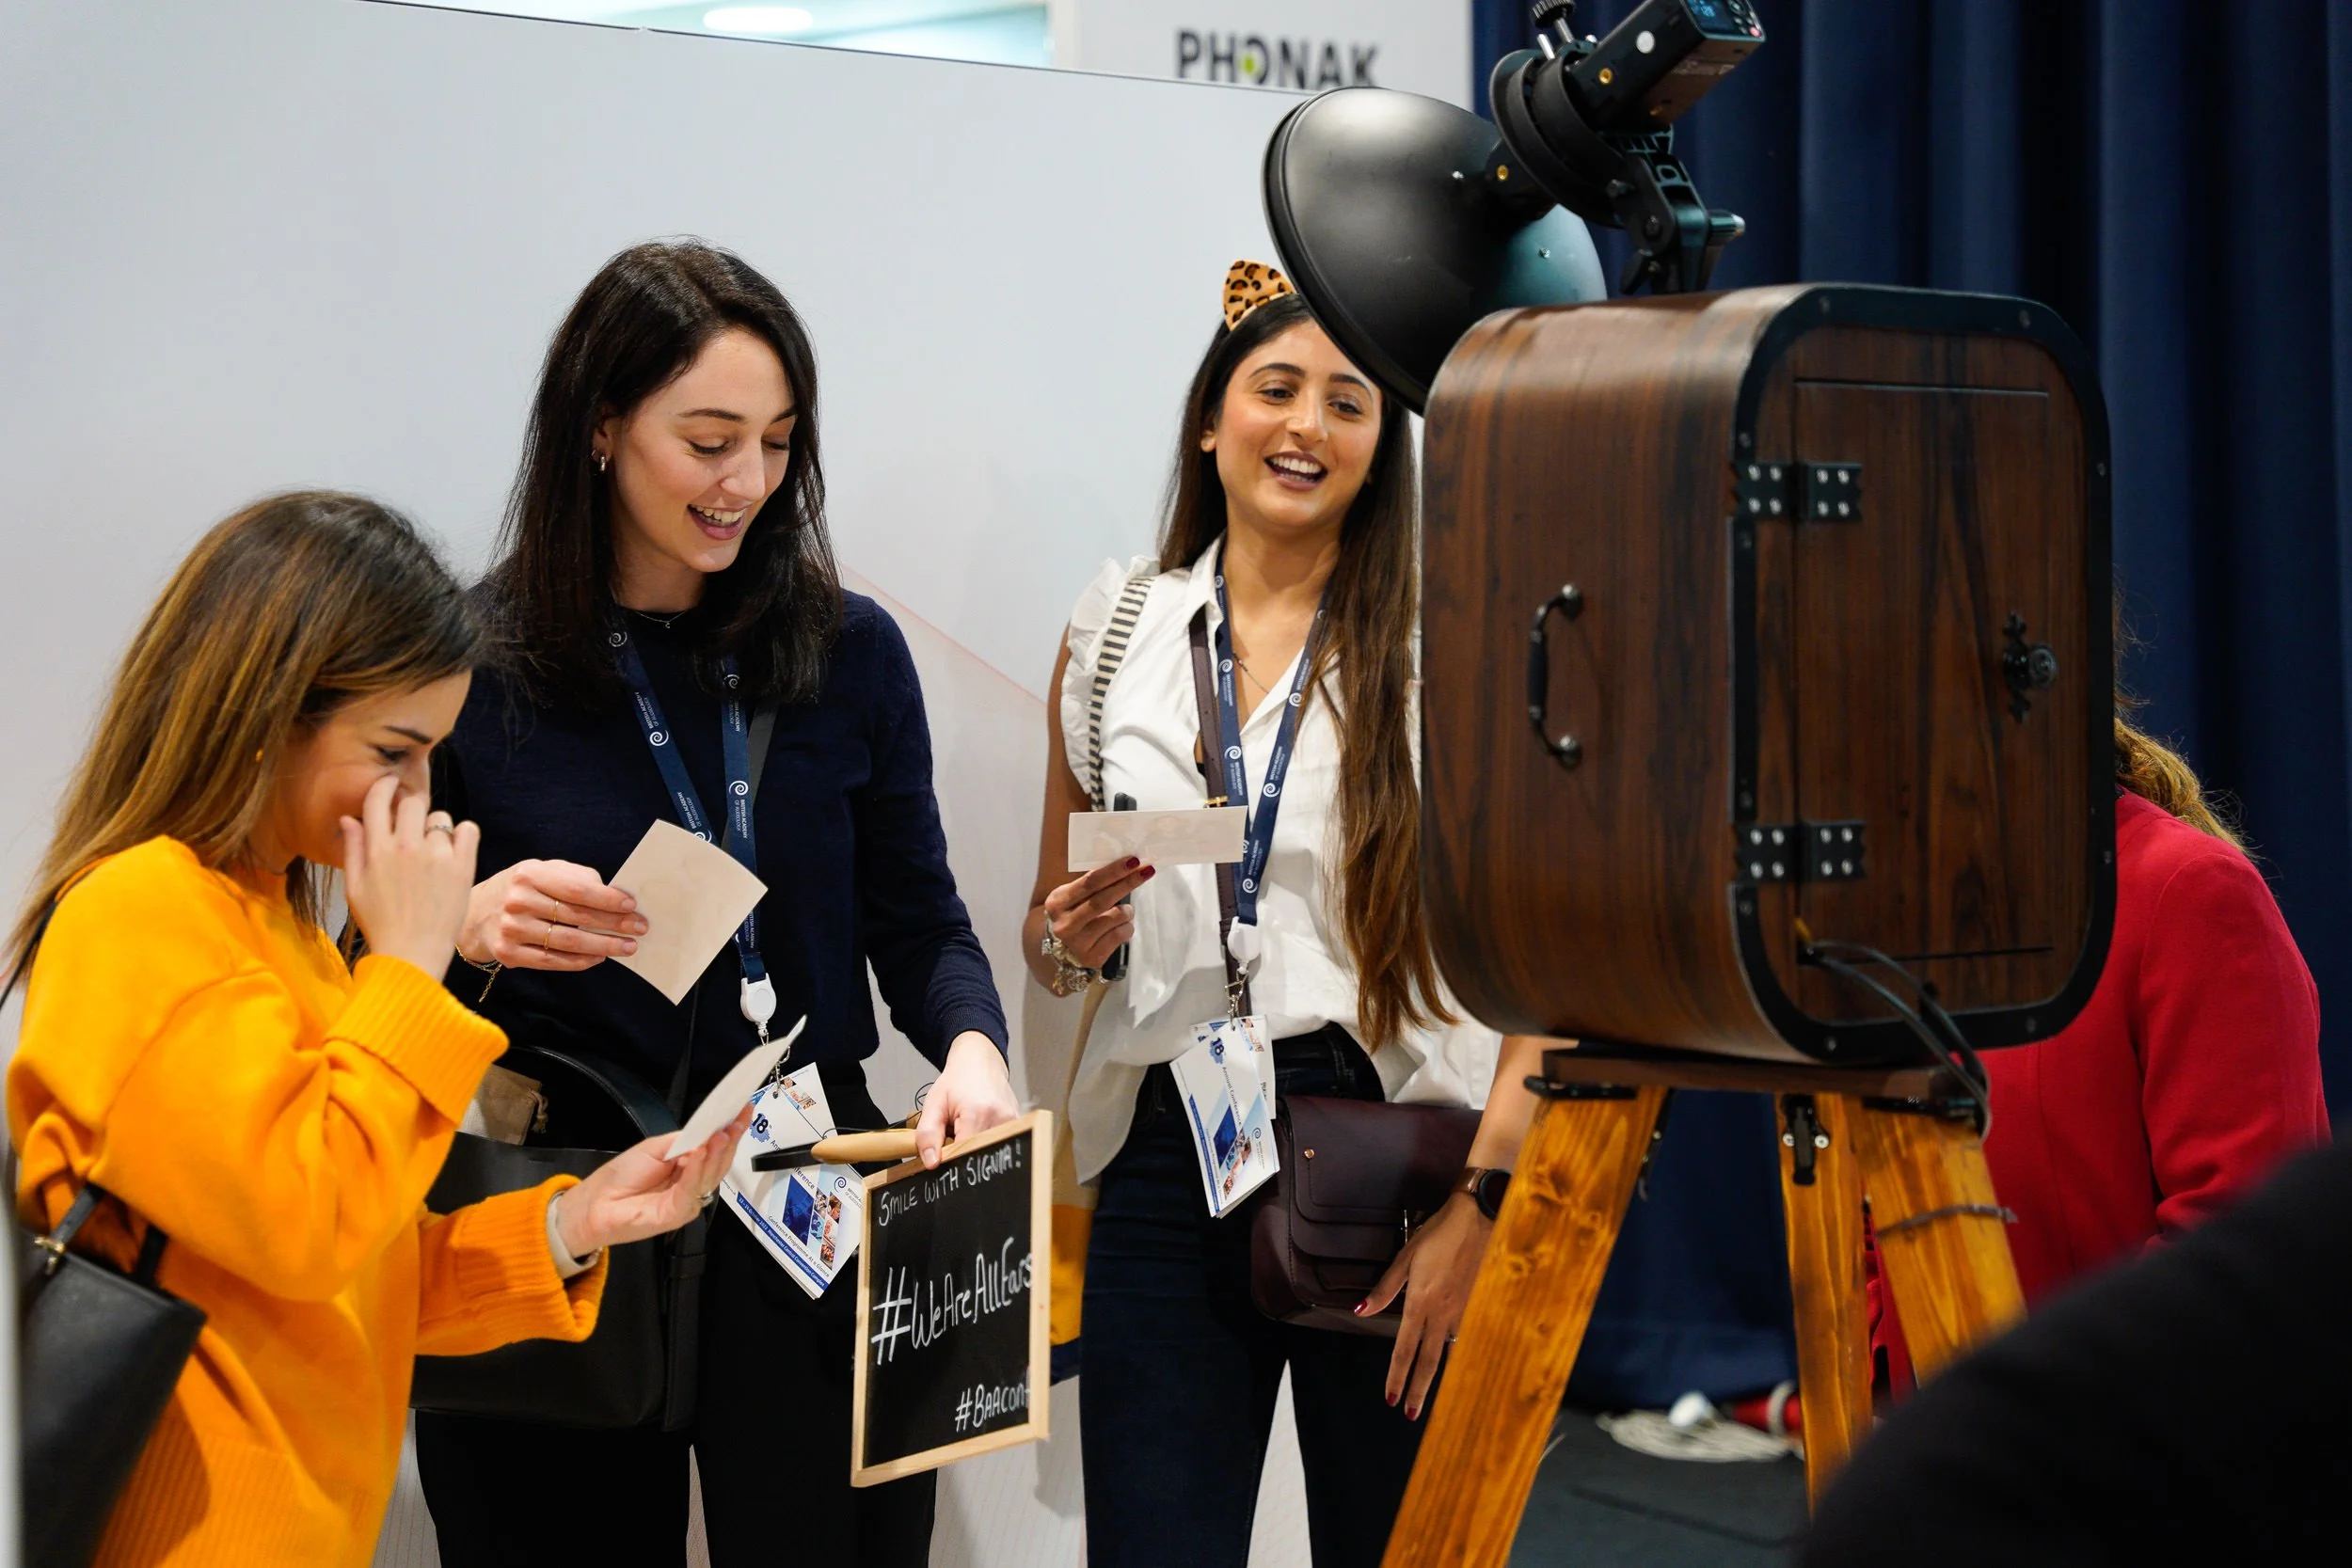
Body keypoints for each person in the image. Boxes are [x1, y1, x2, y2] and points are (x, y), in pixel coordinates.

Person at [413, 239, 1018, 1568]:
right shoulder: (470, 667)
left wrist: (973, 1048)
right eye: (707, 439)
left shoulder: (849, 649)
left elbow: (918, 918)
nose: (747, 482)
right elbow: (360, 975)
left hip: (812, 1187)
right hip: (568, 1193)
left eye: (778, 441)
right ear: (600, 428)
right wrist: (459, 934)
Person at [5, 491, 742, 1568]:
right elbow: (309, 1225)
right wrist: (408, 962)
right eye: (395, 748)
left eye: (433, 752)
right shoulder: (143, 911)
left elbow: (364, 1281)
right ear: (266, 710)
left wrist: (570, 1223)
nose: (418, 794)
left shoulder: (283, 930)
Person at [1025, 261, 1534, 1568]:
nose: (1306, 425)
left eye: (1348, 401)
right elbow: (1048, 919)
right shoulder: (1116, 629)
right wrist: (1071, 938)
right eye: (1276, 388)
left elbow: (1546, 970)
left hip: (1403, 1161)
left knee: (1399, 1543)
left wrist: (1485, 1203)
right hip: (1163, 1138)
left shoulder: (1449, 643)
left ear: (1384, 445)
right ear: (1211, 418)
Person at [1870, 692, 2327, 1388]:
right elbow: (1866, 1200)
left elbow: (2246, 1251)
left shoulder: (2191, 890)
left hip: (2126, 1458)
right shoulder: (1898, 895)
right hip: (1942, 1453)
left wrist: (2041, 1418)